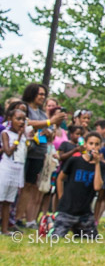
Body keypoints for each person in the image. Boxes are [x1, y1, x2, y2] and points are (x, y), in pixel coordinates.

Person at [17, 83, 66, 229]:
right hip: (26, 152)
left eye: (44, 94)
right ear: (31, 93)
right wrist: (49, 122)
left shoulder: (41, 112)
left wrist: (49, 131)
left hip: (39, 153)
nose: (42, 97)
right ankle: (16, 217)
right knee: (22, 185)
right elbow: (26, 123)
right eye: (40, 94)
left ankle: (28, 219)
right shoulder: (24, 107)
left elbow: (48, 128)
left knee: (32, 186)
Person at [53, 131, 105, 239]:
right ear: (85, 144)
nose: (93, 147)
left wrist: (97, 164)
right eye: (91, 143)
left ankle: (77, 229)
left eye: (96, 144)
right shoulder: (74, 161)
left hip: (85, 213)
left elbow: (97, 187)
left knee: (92, 239)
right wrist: (61, 197)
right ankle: (50, 223)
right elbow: (60, 179)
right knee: (56, 237)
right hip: (67, 209)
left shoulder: (101, 166)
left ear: (100, 146)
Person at [0, 105, 27, 235]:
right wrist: (18, 139)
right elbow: (8, 151)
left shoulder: (23, 136)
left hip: (17, 170)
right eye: (18, 119)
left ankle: (4, 229)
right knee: (0, 198)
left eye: (23, 119)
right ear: (10, 119)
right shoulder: (6, 133)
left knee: (8, 201)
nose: (21, 122)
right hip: (6, 169)